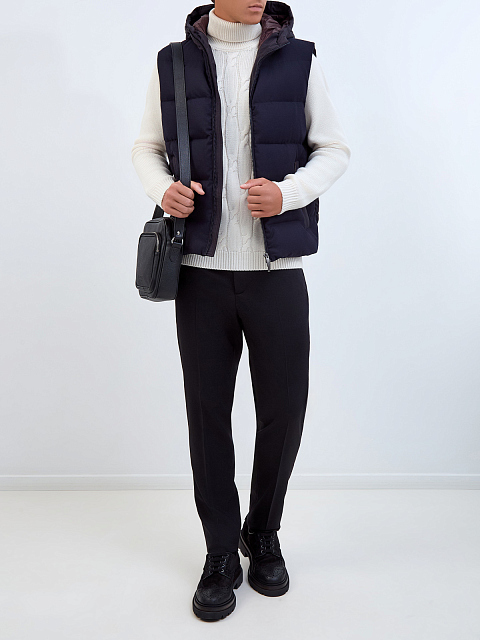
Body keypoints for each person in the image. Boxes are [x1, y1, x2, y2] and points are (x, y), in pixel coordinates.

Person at [131, 0, 350, 622]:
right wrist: (163, 190)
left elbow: (334, 149)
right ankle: (220, 551)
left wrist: (287, 193)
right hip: (200, 274)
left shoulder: (299, 60)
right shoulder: (174, 63)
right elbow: (146, 147)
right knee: (208, 417)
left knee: (284, 411)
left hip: (276, 273)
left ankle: (263, 531)